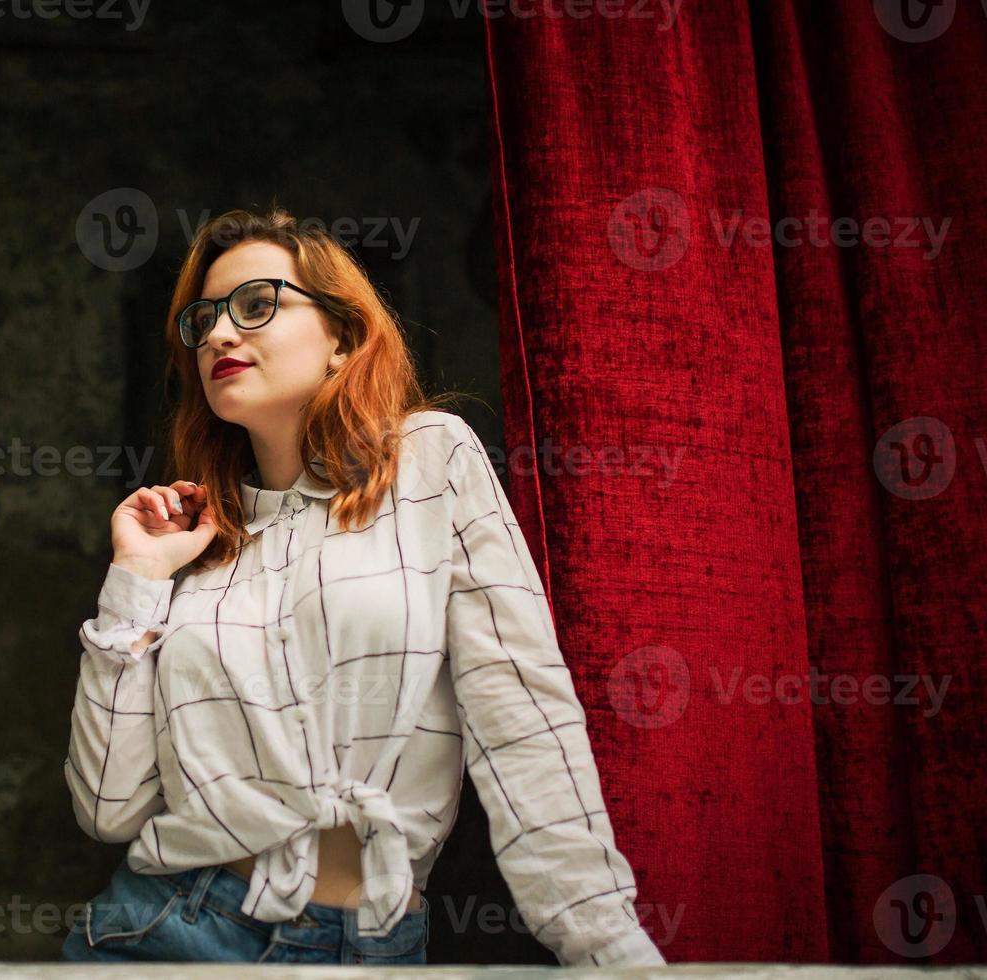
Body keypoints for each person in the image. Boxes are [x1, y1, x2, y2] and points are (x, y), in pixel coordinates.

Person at [60, 204, 666, 966]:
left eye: (254, 305)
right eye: (203, 319)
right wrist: (137, 580)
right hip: (166, 932)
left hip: (367, 950)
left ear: (342, 338)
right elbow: (108, 807)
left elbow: (522, 719)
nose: (217, 333)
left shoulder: (429, 463)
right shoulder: (201, 547)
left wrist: (607, 949)